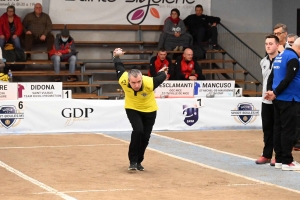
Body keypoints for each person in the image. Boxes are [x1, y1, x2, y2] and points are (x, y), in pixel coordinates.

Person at [112, 47, 167, 171]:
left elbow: (161, 76)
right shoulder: (123, 79)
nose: (136, 85)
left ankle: (139, 161)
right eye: (133, 83)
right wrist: (116, 55)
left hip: (150, 110)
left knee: (146, 137)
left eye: (138, 82)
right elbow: (118, 65)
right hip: (132, 108)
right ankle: (132, 161)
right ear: (129, 81)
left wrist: (164, 71)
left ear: (141, 79)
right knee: (138, 130)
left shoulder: (149, 83)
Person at [265, 37, 300, 171]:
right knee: (288, 130)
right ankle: (287, 161)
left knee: (278, 128)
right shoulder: (292, 58)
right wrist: (275, 92)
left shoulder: (280, 56)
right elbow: (288, 79)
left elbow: (272, 76)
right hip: (289, 99)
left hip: (279, 99)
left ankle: (279, 159)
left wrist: (272, 92)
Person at [255, 34, 279, 166]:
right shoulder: (263, 61)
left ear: (277, 45)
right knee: (267, 129)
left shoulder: (282, 60)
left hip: (278, 99)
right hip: (265, 101)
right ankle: (266, 154)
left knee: (278, 128)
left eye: (271, 43)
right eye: (266, 44)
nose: (268, 46)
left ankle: (278, 154)